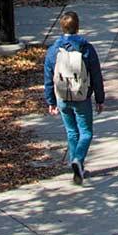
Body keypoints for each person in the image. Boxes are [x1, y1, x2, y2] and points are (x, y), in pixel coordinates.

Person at [43, 11, 105, 186]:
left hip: (62, 96)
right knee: (86, 132)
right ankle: (78, 159)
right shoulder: (86, 49)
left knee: (72, 132)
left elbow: (48, 77)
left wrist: (50, 101)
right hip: (82, 96)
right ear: (78, 27)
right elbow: (96, 75)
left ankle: (76, 166)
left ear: (62, 27)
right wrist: (99, 98)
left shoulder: (54, 50)